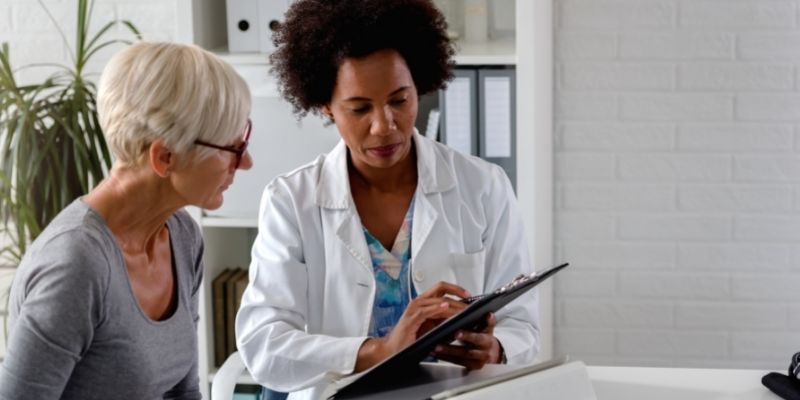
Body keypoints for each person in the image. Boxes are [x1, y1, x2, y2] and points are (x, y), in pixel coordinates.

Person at [235, 0, 539, 398]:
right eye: (360, 108)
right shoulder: (291, 201)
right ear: (326, 105)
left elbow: (524, 327)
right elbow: (264, 346)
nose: (384, 126)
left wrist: (497, 349)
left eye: (399, 100)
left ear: (420, 86)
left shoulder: (484, 186)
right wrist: (378, 351)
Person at [0, 42, 253, 400]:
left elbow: (182, 390)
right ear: (164, 157)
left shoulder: (182, 237)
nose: (245, 163)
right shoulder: (75, 265)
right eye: (233, 148)